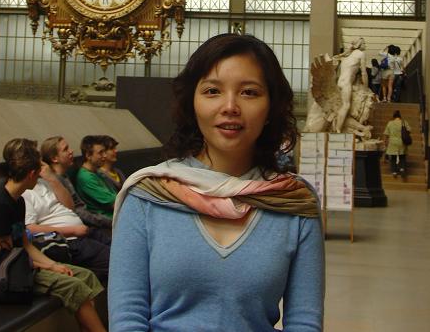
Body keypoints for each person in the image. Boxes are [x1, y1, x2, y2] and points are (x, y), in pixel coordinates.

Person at [109, 33, 324, 332]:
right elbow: (127, 320)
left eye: (249, 92)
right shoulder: (148, 195)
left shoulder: (293, 202)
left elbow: (304, 322)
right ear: (192, 103)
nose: (230, 106)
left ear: (271, 107)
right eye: (212, 91)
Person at [0, 138, 107, 332]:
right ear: (32, 174)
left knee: (87, 276)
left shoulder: (18, 202)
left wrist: (53, 265)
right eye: (39, 172)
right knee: (74, 285)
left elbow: (25, 244)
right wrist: (48, 267)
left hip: (19, 261)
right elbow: (5, 256)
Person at [23, 151, 111, 284]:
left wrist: (52, 179)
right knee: (116, 261)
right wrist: (73, 230)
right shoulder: (24, 192)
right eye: (39, 161)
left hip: (84, 231)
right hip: (68, 240)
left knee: (124, 250)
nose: (43, 163)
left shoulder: (44, 182)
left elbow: (70, 207)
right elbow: (30, 229)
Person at [41, 136, 112, 230]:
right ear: (54, 158)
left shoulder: (64, 176)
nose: (71, 151)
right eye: (66, 149)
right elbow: (76, 211)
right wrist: (109, 222)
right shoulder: (54, 182)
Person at [75, 136, 117, 218]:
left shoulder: (97, 171)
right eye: (100, 153)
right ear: (88, 155)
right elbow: (115, 204)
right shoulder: (86, 177)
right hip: (109, 219)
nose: (105, 155)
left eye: (104, 151)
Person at [333, 37, 368, 132]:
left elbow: (336, 57)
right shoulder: (361, 54)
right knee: (346, 106)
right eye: (364, 43)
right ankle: (338, 129)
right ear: (359, 45)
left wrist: (344, 53)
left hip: (340, 83)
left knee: (342, 106)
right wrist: (366, 88)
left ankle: (339, 126)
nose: (365, 45)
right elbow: (364, 73)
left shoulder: (348, 56)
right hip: (346, 83)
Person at [384, 109, 411, 177]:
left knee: (393, 157)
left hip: (392, 142)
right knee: (402, 156)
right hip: (402, 142)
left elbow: (386, 134)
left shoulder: (390, 123)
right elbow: (409, 130)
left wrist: (385, 142)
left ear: (393, 116)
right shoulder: (404, 122)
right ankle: (402, 169)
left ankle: (394, 171)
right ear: (400, 116)